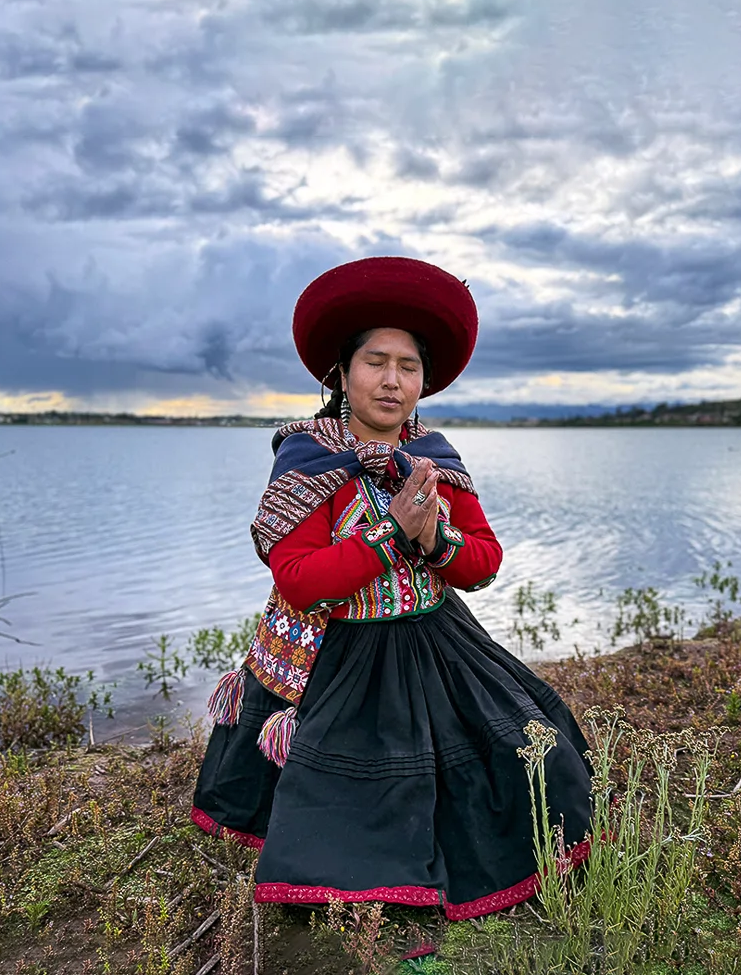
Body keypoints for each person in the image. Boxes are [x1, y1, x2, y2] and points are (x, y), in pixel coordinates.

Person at [192, 256, 592, 921]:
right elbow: (298, 580)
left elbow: (483, 562)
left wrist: (434, 538)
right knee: (355, 817)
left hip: (437, 641)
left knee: (540, 763)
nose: (392, 380)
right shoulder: (309, 460)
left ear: (422, 384)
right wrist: (390, 533)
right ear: (342, 374)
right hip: (337, 657)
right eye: (376, 362)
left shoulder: (435, 458)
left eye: (408, 368)